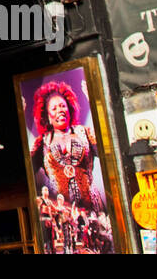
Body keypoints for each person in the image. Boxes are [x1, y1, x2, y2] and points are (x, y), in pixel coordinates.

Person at [31, 79, 105, 213]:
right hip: (63, 215)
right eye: (54, 108)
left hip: (94, 210)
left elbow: (107, 150)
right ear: (47, 116)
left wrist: (94, 102)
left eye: (62, 106)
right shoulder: (42, 143)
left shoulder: (85, 133)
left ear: (69, 108)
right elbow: (27, 173)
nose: (60, 110)